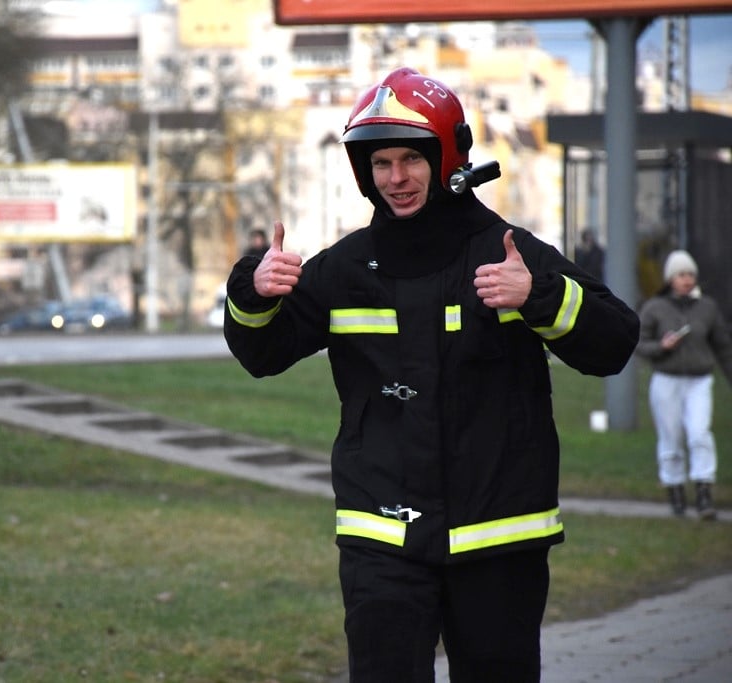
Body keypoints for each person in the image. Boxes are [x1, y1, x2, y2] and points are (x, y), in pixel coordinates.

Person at [223, 67, 640, 682]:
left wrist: (539, 297)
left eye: (411, 160)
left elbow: (614, 342)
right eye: (381, 163)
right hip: (380, 540)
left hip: (499, 537)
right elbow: (262, 355)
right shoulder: (343, 268)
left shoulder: (509, 252)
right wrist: (254, 294)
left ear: (448, 156)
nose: (395, 179)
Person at [635, 249, 732, 520]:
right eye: (681, 274)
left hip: (699, 380)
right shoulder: (655, 308)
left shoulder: (707, 308)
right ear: (670, 278)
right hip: (667, 380)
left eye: (690, 274)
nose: (687, 279)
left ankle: (704, 492)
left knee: (700, 433)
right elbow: (639, 343)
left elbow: (723, 347)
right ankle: (675, 489)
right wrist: (661, 347)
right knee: (671, 436)